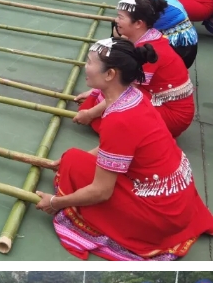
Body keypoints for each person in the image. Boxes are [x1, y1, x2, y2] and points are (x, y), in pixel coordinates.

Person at [37, 38, 213, 260]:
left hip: (160, 215)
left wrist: (54, 202)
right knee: (74, 160)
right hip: (179, 202)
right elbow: (116, 149)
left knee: (73, 161)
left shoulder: (119, 119)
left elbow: (101, 192)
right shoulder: (134, 96)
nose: (85, 66)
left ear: (110, 74)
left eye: (90, 62)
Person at [75, 0, 195, 139]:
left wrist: (90, 114)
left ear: (138, 23)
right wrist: (93, 92)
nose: (116, 20)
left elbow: (123, 91)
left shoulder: (150, 51)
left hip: (172, 115)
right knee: (110, 86)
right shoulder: (147, 38)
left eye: (121, 17)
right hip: (161, 100)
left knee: (113, 98)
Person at [111, 0, 198, 68]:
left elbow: (133, 30)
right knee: (120, 25)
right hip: (186, 46)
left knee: (120, 31)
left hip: (180, 49)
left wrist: (120, 36)